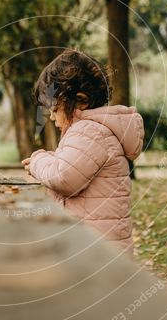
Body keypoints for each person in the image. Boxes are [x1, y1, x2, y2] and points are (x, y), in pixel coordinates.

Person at [22, 49, 144, 254]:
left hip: (96, 251)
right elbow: (74, 167)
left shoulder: (89, 131)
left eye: (54, 110)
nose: (51, 118)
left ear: (80, 101)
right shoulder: (93, 132)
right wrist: (53, 159)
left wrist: (38, 161)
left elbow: (63, 178)